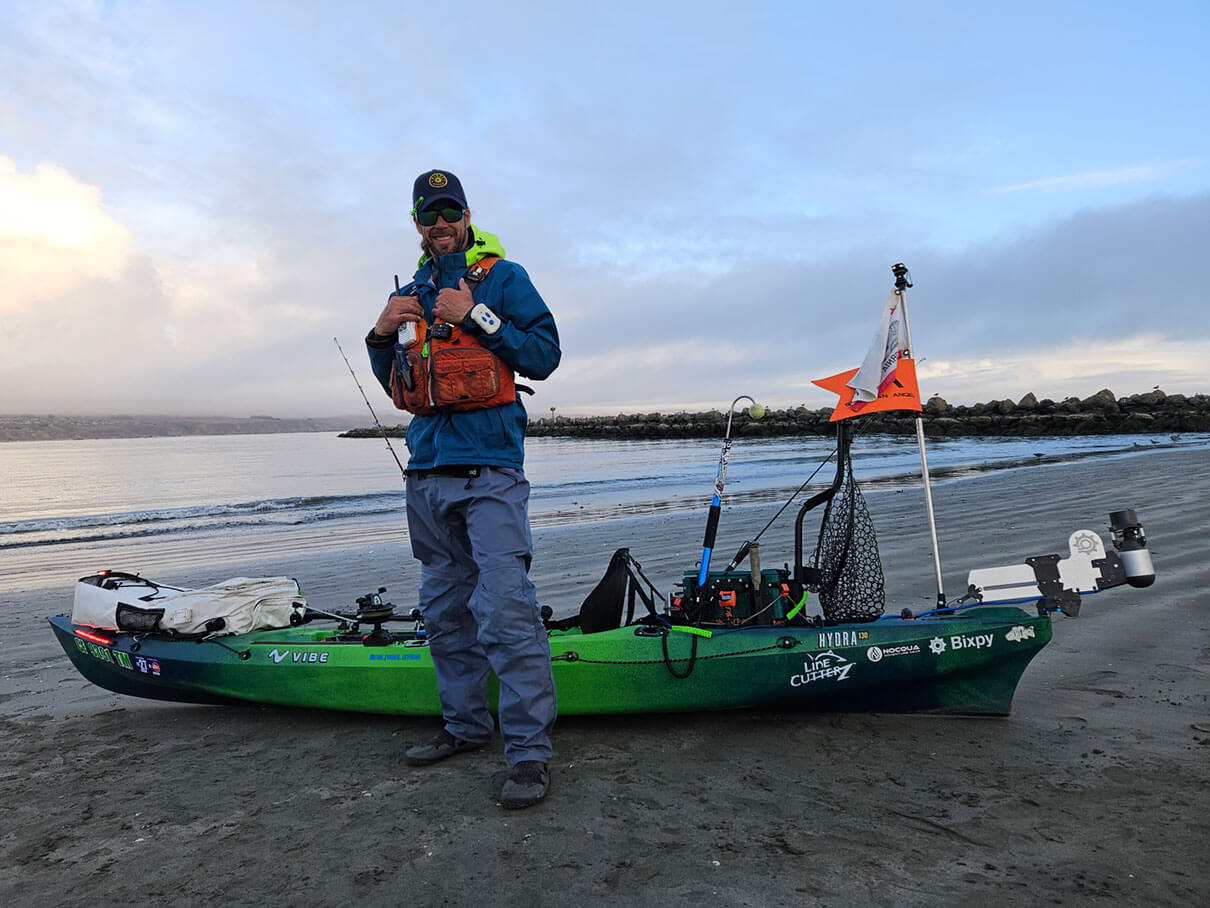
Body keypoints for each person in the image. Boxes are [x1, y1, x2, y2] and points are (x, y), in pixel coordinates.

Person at [365, 169, 560, 809]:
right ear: (417, 224)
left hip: (492, 475)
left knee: (505, 609)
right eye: (429, 215)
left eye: (450, 212)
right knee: (446, 612)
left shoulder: (505, 277)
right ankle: (466, 727)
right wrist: (378, 334)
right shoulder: (412, 291)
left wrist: (475, 314)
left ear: (467, 214)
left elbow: (544, 354)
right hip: (426, 478)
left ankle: (529, 756)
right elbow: (401, 384)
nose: (441, 223)